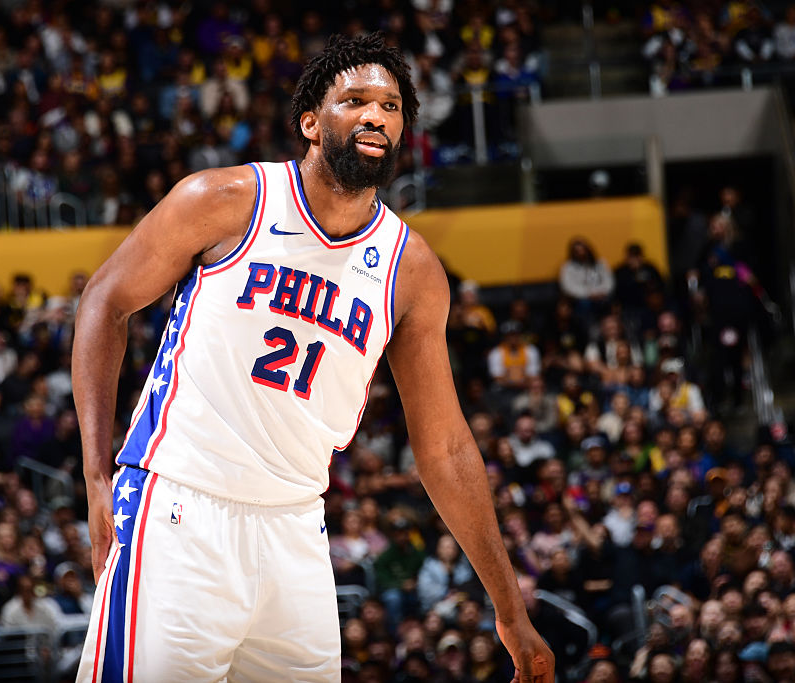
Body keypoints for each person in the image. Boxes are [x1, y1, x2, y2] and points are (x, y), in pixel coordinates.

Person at [72, 32, 553, 682]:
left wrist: (510, 609)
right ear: (310, 122)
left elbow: (443, 447)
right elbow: (103, 301)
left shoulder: (411, 270)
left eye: (390, 106)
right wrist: (95, 474)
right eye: (355, 100)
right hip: (179, 508)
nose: (375, 115)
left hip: (297, 530)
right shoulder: (225, 201)